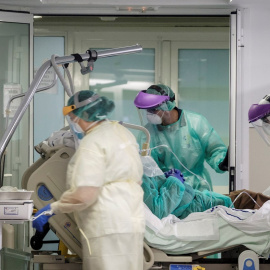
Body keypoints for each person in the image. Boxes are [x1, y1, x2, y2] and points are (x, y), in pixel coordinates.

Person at [32, 90, 145, 270]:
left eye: (73, 117)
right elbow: (137, 179)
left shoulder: (92, 143)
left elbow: (84, 194)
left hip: (106, 226)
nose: (73, 122)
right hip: (132, 223)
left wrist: (52, 209)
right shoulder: (123, 134)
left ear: (84, 113)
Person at [134, 84, 228, 191]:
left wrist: (222, 162)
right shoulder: (147, 133)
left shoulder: (196, 123)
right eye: (147, 110)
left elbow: (215, 150)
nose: (148, 114)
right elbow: (147, 166)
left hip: (198, 188)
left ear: (167, 106)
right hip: (167, 190)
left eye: (153, 110)